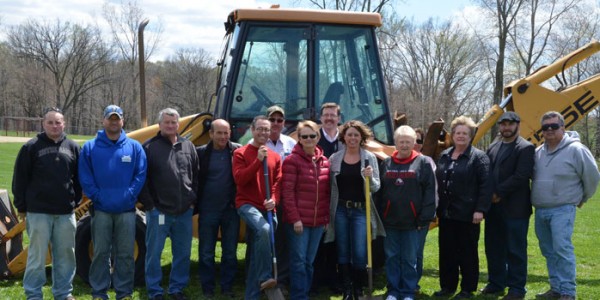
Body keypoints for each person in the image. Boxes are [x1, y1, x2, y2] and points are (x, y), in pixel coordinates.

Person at [79, 104, 147, 300]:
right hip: (100, 210)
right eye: (110, 118)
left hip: (126, 210)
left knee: (125, 253)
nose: (114, 121)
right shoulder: (90, 147)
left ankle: (123, 292)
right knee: (101, 252)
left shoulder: (134, 147)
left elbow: (140, 174)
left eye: (117, 118)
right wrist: (97, 196)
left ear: (122, 121)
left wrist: (129, 195)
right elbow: (85, 176)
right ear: (104, 121)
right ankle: (99, 292)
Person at [12, 107, 81, 300]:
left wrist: (74, 201)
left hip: (65, 213)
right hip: (38, 212)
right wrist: (22, 207)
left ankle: (63, 293)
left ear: (64, 124)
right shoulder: (31, 147)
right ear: (43, 124)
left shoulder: (73, 147)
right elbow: (20, 179)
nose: (54, 125)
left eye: (58, 122)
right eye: (50, 122)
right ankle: (34, 294)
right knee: (37, 256)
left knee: (66, 256)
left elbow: (79, 179)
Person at [531, 111, 600, 300]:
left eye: (554, 126)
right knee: (548, 251)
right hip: (541, 210)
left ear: (563, 127)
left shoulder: (576, 149)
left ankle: (568, 292)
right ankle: (556, 288)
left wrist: (583, 198)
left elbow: (593, 177)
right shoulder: (538, 152)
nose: (550, 130)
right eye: (546, 127)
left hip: (563, 208)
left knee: (562, 249)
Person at [139, 108, 199, 300]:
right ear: (160, 125)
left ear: (178, 124)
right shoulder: (149, 147)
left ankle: (176, 289)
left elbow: (196, 175)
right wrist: (150, 206)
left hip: (184, 212)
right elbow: (142, 180)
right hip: (160, 212)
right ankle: (155, 290)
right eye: (167, 122)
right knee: (154, 254)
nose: (171, 126)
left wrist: (192, 202)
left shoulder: (188, 146)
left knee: (182, 253)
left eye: (174, 122)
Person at [324, 120, 385, 300]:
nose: (352, 138)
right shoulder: (335, 158)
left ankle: (358, 289)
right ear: (344, 137)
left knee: (359, 251)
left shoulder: (369, 158)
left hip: (360, 211)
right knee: (342, 250)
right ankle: (347, 290)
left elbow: (376, 187)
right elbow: (329, 186)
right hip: (340, 210)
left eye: (356, 135)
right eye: (349, 134)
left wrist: (369, 178)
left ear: (361, 137)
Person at [434, 116, 491, 299]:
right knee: (447, 252)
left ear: (471, 135)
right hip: (447, 213)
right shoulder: (445, 155)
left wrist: (480, 209)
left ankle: (467, 288)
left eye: (464, 133)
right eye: (457, 133)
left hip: (468, 214)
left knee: (467, 252)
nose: (460, 136)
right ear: (453, 135)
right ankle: (447, 287)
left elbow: (486, 185)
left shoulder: (479, 157)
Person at [481, 112, 534, 300]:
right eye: (503, 124)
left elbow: (521, 177)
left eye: (510, 124)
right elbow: (487, 173)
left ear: (517, 126)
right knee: (493, 247)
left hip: (515, 208)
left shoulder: (526, 148)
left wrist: (498, 193)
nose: (506, 127)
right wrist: (488, 195)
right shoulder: (494, 146)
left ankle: (517, 288)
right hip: (494, 208)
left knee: (515, 249)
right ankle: (496, 283)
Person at [379, 126, 436, 300]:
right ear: (395, 143)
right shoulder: (386, 163)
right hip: (390, 221)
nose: (404, 145)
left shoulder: (423, 163)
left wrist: (425, 217)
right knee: (392, 257)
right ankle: (394, 290)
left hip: (413, 222)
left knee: (410, 259)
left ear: (414, 143)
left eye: (408, 142)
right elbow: (379, 192)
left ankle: (408, 291)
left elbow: (430, 193)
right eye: (401, 141)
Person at [233, 115, 282, 300]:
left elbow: (278, 182)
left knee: (256, 252)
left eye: (266, 130)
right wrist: (257, 160)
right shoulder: (240, 153)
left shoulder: (276, 157)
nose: (263, 132)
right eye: (260, 129)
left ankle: (251, 295)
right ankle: (265, 276)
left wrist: (274, 200)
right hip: (247, 204)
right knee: (264, 229)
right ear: (252, 130)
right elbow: (240, 179)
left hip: (268, 207)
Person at [281, 120, 331, 299]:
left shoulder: (324, 161)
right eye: (304, 136)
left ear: (318, 137)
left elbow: (326, 193)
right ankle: (299, 296)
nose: (309, 139)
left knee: (309, 262)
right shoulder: (291, 161)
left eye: (312, 135)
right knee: (298, 261)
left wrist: (325, 218)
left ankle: (305, 293)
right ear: (299, 139)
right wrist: (295, 219)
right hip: (298, 222)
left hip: (318, 222)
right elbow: (287, 192)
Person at [196, 119, 241, 298]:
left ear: (230, 133)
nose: (223, 136)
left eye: (226, 132)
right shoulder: (201, 153)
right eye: (219, 133)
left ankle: (227, 286)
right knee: (206, 252)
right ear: (211, 134)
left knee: (230, 252)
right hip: (208, 210)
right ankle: (207, 287)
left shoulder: (237, 151)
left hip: (231, 210)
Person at [411, 127, 438, 294]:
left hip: (420, 217)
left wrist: (427, 215)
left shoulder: (427, 162)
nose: (414, 144)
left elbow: (432, 191)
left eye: (418, 141)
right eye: (410, 140)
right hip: (399, 218)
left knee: (416, 252)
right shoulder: (393, 160)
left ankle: (413, 284)